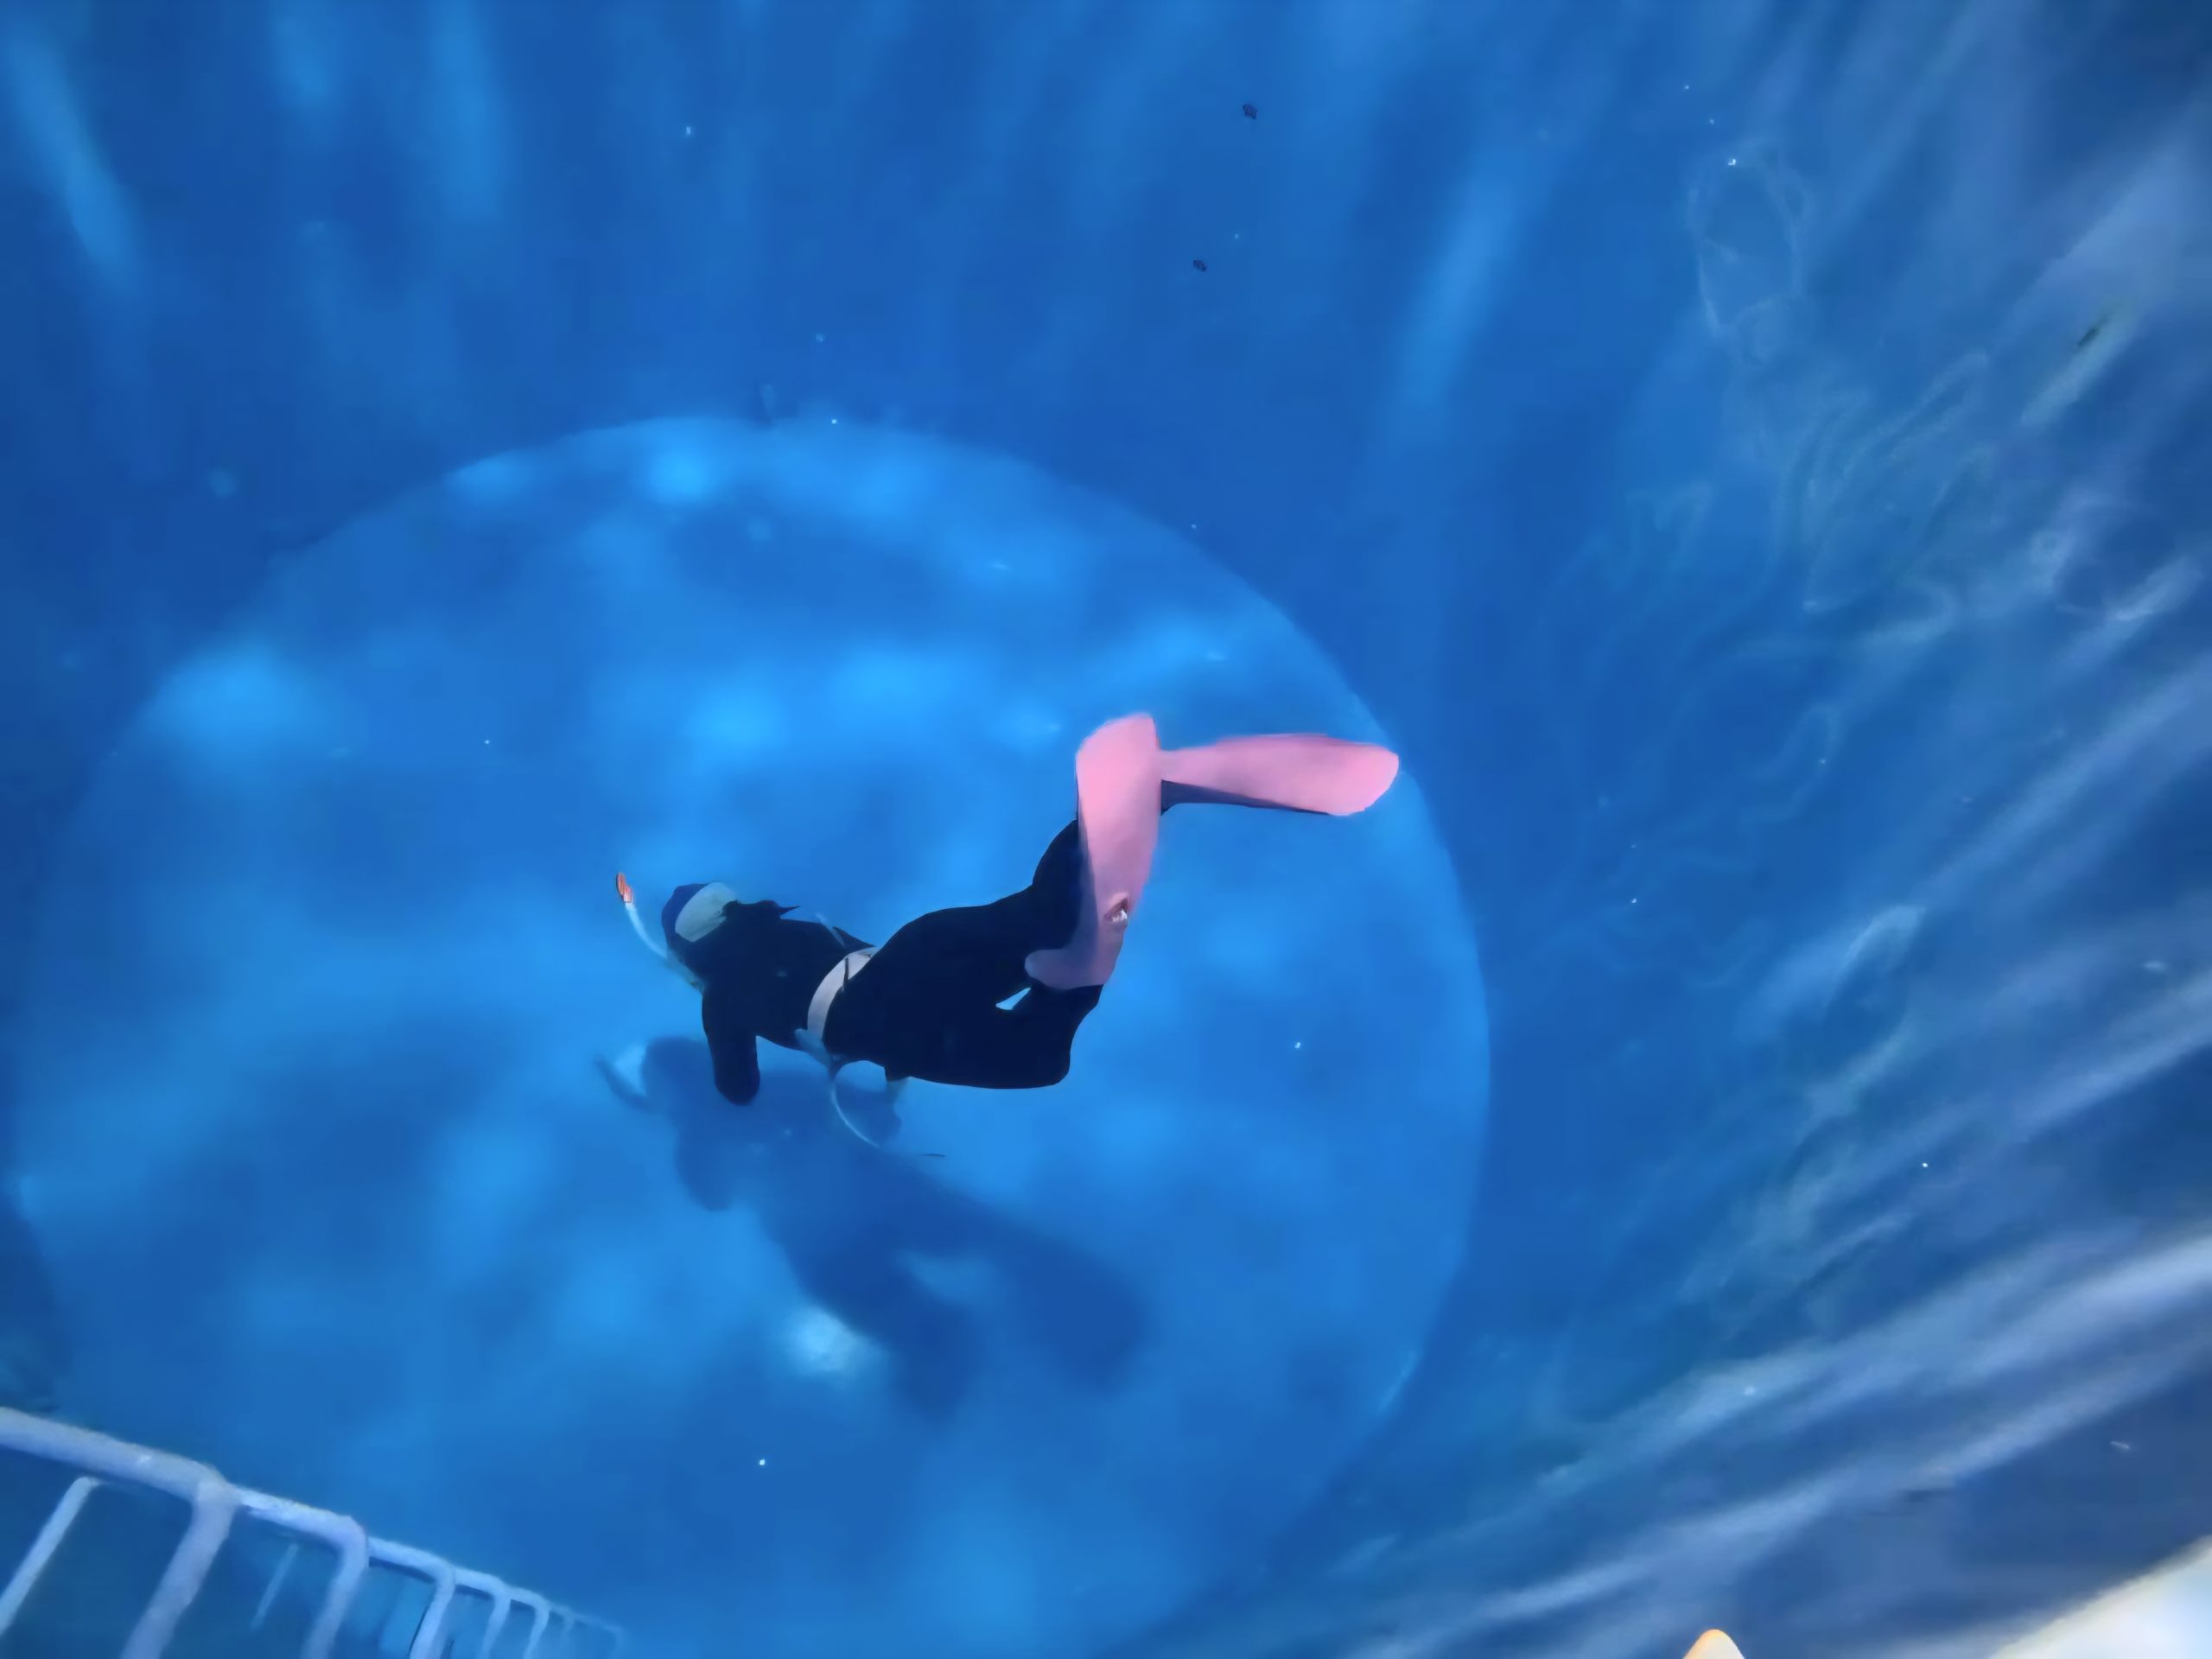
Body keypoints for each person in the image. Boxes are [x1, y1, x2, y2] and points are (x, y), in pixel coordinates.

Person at [631, 712, 1400, 1105]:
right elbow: (866, 962)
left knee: (1040, 1057)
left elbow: (739, 1089)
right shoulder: (787, 925)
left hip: (879, 1019)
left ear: (692, 952)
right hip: (911, 952)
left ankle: (1074, 976)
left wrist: (720, 1028)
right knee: (1044, 912)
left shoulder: (722, 997)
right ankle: (1146, 798)